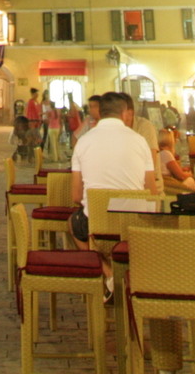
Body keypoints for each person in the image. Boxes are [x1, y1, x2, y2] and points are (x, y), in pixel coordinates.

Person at [71, 92, 160, 277]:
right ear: (124, 113)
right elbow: (151, 191)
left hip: (96, 226)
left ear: (100, 112)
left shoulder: (83, 142)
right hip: (133, 225)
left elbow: (76, 196)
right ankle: (133, 275)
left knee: (73, 224)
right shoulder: (140, 141)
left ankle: (109, 274)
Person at [159, 128, 195, 193]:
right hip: (171, 185)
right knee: (192, 180)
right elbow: (181, 176)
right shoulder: (166, 154)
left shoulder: (159, 153)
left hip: (166, 184)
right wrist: (190, 174)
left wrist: (182, 170)